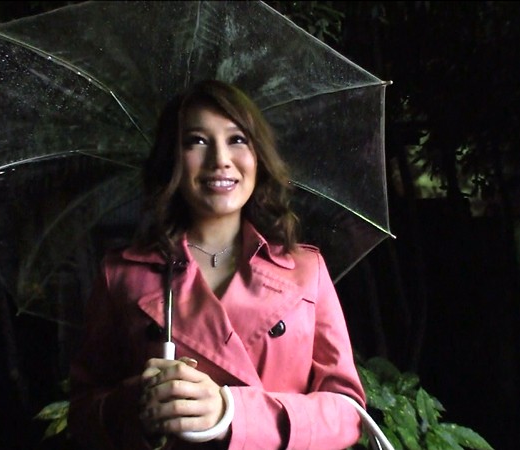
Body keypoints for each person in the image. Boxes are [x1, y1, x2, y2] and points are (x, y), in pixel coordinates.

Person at [69, 79, 366, 449]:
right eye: (196, 141)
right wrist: (138, 407)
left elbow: (348, 412)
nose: (220, 160)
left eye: (237, 139)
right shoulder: (123, 276)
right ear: (172, 158)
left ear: (259, 156)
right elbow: (83, 413)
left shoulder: (306, 271)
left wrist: (231, 412)